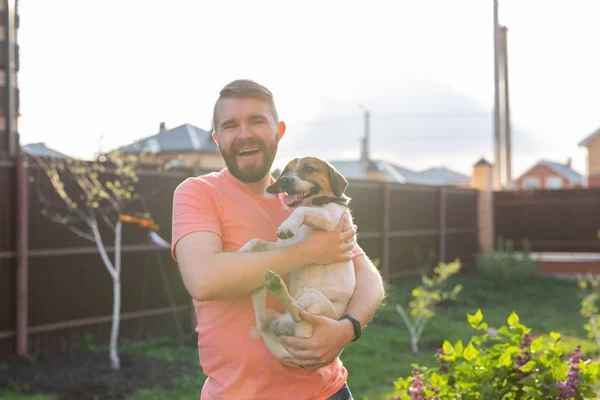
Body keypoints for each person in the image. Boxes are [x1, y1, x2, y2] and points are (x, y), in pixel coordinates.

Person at [171, 79, 385, 400]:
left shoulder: (307, 202)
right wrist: (307, 251)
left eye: (257, 121)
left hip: (328, 391)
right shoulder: (198, 193)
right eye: (230, 126)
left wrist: (348, 328)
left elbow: (368, 276)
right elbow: (204, 279)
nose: (244, 134)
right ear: (217, 139)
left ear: (278, 130)